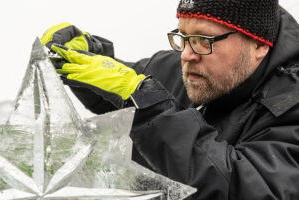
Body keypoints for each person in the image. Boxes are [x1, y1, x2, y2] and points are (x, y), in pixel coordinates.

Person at [41, 0, 299, 199]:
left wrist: (151, 107)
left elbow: (249, 188)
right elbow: (120, 94)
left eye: (202, 40)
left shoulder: (292, 102)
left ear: (258, 44)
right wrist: (87, 55)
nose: (187, 55)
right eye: (183, 37)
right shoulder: (184, 69)